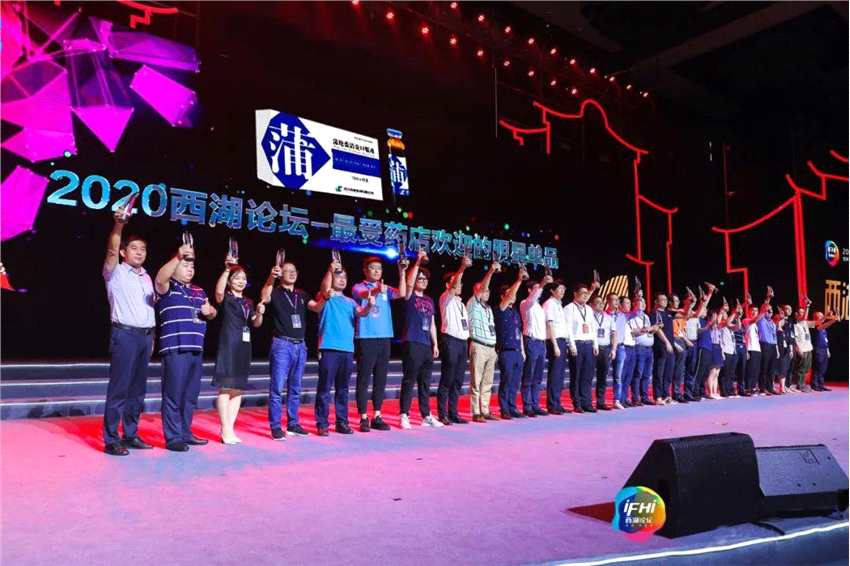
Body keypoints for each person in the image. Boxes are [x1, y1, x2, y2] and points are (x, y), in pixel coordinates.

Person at [102, 207, 156, 456]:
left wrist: (152, 337)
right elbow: (112, 250)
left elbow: (149, 310)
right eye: (134, 248)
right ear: (124, 252)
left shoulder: (146, 276)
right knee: (119, 388)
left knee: (138, 390)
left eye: (143, 249)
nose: (139, 252)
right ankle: (112, 439)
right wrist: (119, 225)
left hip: (145, 337)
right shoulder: (115, 271)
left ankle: (131, 434)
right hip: (124, 335)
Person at [154, 240, 217, 452]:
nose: (190, 269)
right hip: (175, 347)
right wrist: (178, 256)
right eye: (185, 265)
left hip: (196, 348)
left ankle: (185, 432)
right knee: (173, 395)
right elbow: (159, 278)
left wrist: (211, 312)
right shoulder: (167, 287)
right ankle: (173, 438)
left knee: (190, 396)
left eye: (192, 266)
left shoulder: (199, 290)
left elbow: (212, 312)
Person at [309, 262, 374, 436]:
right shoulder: (325, 297)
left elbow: (362, 313)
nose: (342, 280)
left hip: (347, 350)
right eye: (338, 277)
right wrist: (330, 270)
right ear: (331, 278)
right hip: (328, 348)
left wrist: (369, 305)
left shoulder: (350, 302)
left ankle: (342, 422)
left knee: (343, 389)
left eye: (345, 277)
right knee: (324, 388)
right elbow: (324, 289)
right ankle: (322, 423)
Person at [261, 259, 320, 440]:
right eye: (287, 270)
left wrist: (326, 296)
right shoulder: (275, 292)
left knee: (295, 388)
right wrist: (271, 277)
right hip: (282, 344)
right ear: (281, 274)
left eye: (294, 270)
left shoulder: (301, 294)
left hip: (300, 345)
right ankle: (275, 426)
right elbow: (265, 297)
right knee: (277, 388)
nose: (292, 273)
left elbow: (316, 307)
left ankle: (293, 424)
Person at [352, 256, 408, 432]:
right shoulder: (358, 287)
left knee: (381, 378)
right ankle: (363, 417)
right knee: (364, 378)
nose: (377, 271)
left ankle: (377, 415)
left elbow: (402, 293)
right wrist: (376, 290)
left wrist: (402, 272)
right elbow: (363, 295)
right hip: (366, 337)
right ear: (365, 270)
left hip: (385, 337)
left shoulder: (385, 288)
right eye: (373, 268)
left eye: (379, 268)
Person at [212, 257, 264, 444]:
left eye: (243, 278)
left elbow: (255, 324)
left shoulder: (248, 302)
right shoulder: (226, 298)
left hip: (244, 347)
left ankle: (230, 429)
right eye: (237, 278)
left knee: (238, 390)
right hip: (228, 345)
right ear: (230, 281)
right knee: (226, 388)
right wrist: (227, 270)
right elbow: (218, 293)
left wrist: (260, 313)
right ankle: (225, 429)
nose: (241, 281)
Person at [399, 250, 443, 428]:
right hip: (412, 341)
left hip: (426, 344)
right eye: (420, 278)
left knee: (425, 382)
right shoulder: (409, 296)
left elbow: (432, 323)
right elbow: (409, 284)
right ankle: (404, 414)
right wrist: (417, 262)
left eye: (425, 279)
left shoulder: (430, 300)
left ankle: (426, 415)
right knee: (409, 379)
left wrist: (435, 343)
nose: (423, 281)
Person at [438, 255, 472, 425]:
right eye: (455, 282)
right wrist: (462, 268)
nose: (459, 285)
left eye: (460, 283)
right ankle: (442, 413)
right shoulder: (446, 298)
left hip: (462, 342)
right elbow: (453, 287)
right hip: (450, 341)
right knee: (447, 378)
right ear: (448, 285)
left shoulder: (461, 303)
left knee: (458, 380)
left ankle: (453, 412)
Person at [468, 260, 501, 422]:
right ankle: (476, 411)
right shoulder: (472, 304)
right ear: (477, 291)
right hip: (479, 345)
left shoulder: (488, 309)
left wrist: (494, 348)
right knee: (476, 381)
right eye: (484, 290)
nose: (486, 292)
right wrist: (491, 272)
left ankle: (485, 409)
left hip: (490, 347)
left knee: (488, 382)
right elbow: (482, 287)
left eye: (488, 291)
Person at [495, 267, 528, 419]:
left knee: (515, 382)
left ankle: (512, 407)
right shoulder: (500, 310)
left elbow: (519, 331)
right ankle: (504, 409)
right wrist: (519, 280)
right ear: (503, 296)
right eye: (510, 293)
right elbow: (508, 298)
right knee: (506, 380)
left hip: (517, 351)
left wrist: (522, 351)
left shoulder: (515, 311)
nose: (513, 296)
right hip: (506, 351)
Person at [520, 271, 553, 417]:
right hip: (531, 341)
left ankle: (535, 404)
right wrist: (543, 283)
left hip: (541, 343)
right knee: (529, 374)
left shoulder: (539, 307)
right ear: (529, 290)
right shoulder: (525, 304)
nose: (539, 291)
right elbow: (533, 298)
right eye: (535, 288)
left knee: (538, 377)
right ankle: (527, 406)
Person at [565, 283, 599, 413]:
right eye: (582, 293)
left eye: (586, 293)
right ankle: (577, 403)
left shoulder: (589, 309)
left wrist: (595, 344)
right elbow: (568, 328)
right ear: (575, 294)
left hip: (589, 344)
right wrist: (571, 345)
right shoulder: (569, 308)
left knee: (588, 375)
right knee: (577, 374)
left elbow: (593, 327)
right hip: (577, 343)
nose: (585, 295)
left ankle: (587, 402)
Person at [543, 279, 569, 414]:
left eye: (564, 289)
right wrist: (555, 345)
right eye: (560, 289)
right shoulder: (549, 304)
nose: (562, 291)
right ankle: (552, 404)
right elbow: (549, 325)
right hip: (555, 341)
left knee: (559, 375)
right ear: (552, 291)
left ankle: (557, 402)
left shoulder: (559, 304)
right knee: (555, 374)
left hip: (562, 341)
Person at [627, 295, 656, 406]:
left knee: (646, 374)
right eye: (639, 302)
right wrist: (647, 329)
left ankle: (645, 397)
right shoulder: (631, 316)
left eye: (643, 302)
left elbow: (647, 331)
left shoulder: (646, 316)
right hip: (639, 347)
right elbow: (634, 332)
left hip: (649, 348)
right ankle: (635, 398)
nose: (642, 304)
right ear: (634, 304)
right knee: (638, 373)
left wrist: (653, 329)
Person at [590, 295, 616, 410]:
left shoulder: (608, 318)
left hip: (605, 349)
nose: (600, 305)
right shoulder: (589, 317)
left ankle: (600, 402)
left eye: (602, 303)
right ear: (592, 305)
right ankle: (587, 402)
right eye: (597, 302)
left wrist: (613, 349)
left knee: (603, 377)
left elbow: (614, 334)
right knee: (589, 376)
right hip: (592, 349)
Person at [650, 293, 676, 404]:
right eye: (662, 299)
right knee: (659, 372)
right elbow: (657, 329)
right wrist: (666, 342)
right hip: (661, 346)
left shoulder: (668, 314)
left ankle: (666, 395)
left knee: (668, 372)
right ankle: (658, 397)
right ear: (656, 301)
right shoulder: (655, 313)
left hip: (670, 346)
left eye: (666, 299)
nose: (665, 301)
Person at [756, 287, 779, 395]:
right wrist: (768, 297)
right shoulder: (761, 320)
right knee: (764, 367)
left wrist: (776, 349)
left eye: (771, 311)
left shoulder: (772, 323)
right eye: (768, 311)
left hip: (773, 346)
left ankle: (770, 387)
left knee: (772, 368)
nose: (770, 312)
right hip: (764, 345)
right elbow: (763, 308)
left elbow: (774, 336)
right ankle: (762, 387)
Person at [607, 294, 628, 409]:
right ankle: (600, 400)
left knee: (618, 375)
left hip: (620, 347)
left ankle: (617, 400)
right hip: (606, 347)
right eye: (613, 300)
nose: (615, 302)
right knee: (603, 374)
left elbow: (636, 311)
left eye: (617, 300)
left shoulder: (623, 316)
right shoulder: (604, 315)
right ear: (608, 301)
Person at [791, 299, 815, 393]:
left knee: (807, 368)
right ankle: (799, 384)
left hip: (809, 348)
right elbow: (795, 339)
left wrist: (827, 316)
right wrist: (798, 349)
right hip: (802, 349)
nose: (802, 314)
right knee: (801, 368)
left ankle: (803, 383)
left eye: (803, 312)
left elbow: (816, 323)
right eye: (800, 313)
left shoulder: (805, 323)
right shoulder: (795, 325)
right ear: (796, 314)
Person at [811, 310, 839, 391]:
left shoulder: (823, 328)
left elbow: (825, 339)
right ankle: (815, 385)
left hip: (824, 349)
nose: (822, 317)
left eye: (822, 316)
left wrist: (827, 350)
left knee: (823, 368)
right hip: (818, 349)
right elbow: (825, 324)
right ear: (815, 317)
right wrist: (831, 319)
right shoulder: (814, 325)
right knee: (817, 367)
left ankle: (821, 384)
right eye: (820, 316)